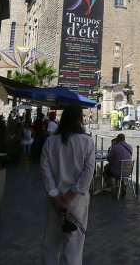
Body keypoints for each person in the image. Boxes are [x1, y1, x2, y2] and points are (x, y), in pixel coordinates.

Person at [40, 105, 95, 265]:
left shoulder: (50, 142)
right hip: (77, 201)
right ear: (79, 119)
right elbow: (88, 173)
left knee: (51, 240)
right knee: (74, 245)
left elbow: (45, 171)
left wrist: (56, 195)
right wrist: (72, 194)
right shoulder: (87, 141)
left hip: (54, 200)